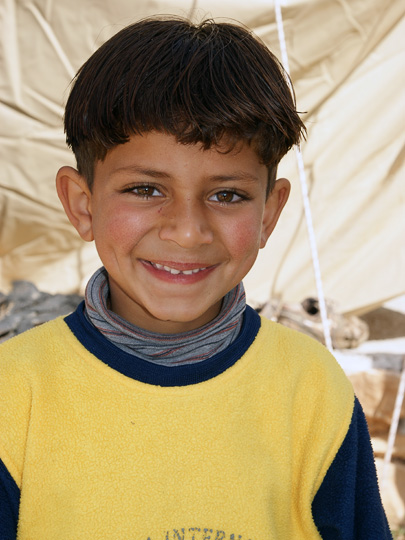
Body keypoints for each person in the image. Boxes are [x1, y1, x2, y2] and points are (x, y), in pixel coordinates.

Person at [0, 16, 392, 540]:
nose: (187, 232)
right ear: (82, 204)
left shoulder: (311, 391)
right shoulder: (14, 392)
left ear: (269, 216)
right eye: (145, 189)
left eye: (227, 195)